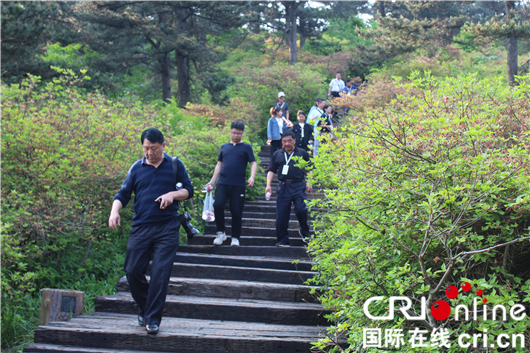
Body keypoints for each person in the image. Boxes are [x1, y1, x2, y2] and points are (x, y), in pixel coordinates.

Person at [109, 128, 194, 335]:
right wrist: (114, 212)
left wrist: (172, 195)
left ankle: (152, 319)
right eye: (146, 148)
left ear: (163, 146)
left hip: (167, 228)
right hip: (141, 227)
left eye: (153, 148)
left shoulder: (175, 164)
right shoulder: (136, 168)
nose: (149, 153)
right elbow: (123, 193)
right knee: (132, 270)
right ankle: (146, 308)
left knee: (160, 273)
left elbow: (188, 191)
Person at [205, 121, 258, 247]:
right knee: (217, 205)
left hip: (238, 184)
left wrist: (252, 177)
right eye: (234, 133)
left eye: (239, 134)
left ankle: (235, 237)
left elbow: (253, 163)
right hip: (223, 182)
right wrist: (212, 181)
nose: (236, 136)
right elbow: (219, 164)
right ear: (230, 132)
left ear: (243, 134)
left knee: (236, 210)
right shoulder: (224, 147)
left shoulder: (246, 147)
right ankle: (220, 232)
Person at [265, 130, 312, 247]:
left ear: (294, 141)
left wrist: (309, 182)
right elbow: (271, 170)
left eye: (289, 141)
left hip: (298, 186)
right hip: (283, 186)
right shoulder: (277, 154)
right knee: (281, 215)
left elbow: (309, 168)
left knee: (302, 209)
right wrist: (268, 185)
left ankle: (305, 233)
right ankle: (283, 240)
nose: (287, 144)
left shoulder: (302, 152)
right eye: (284, 141)